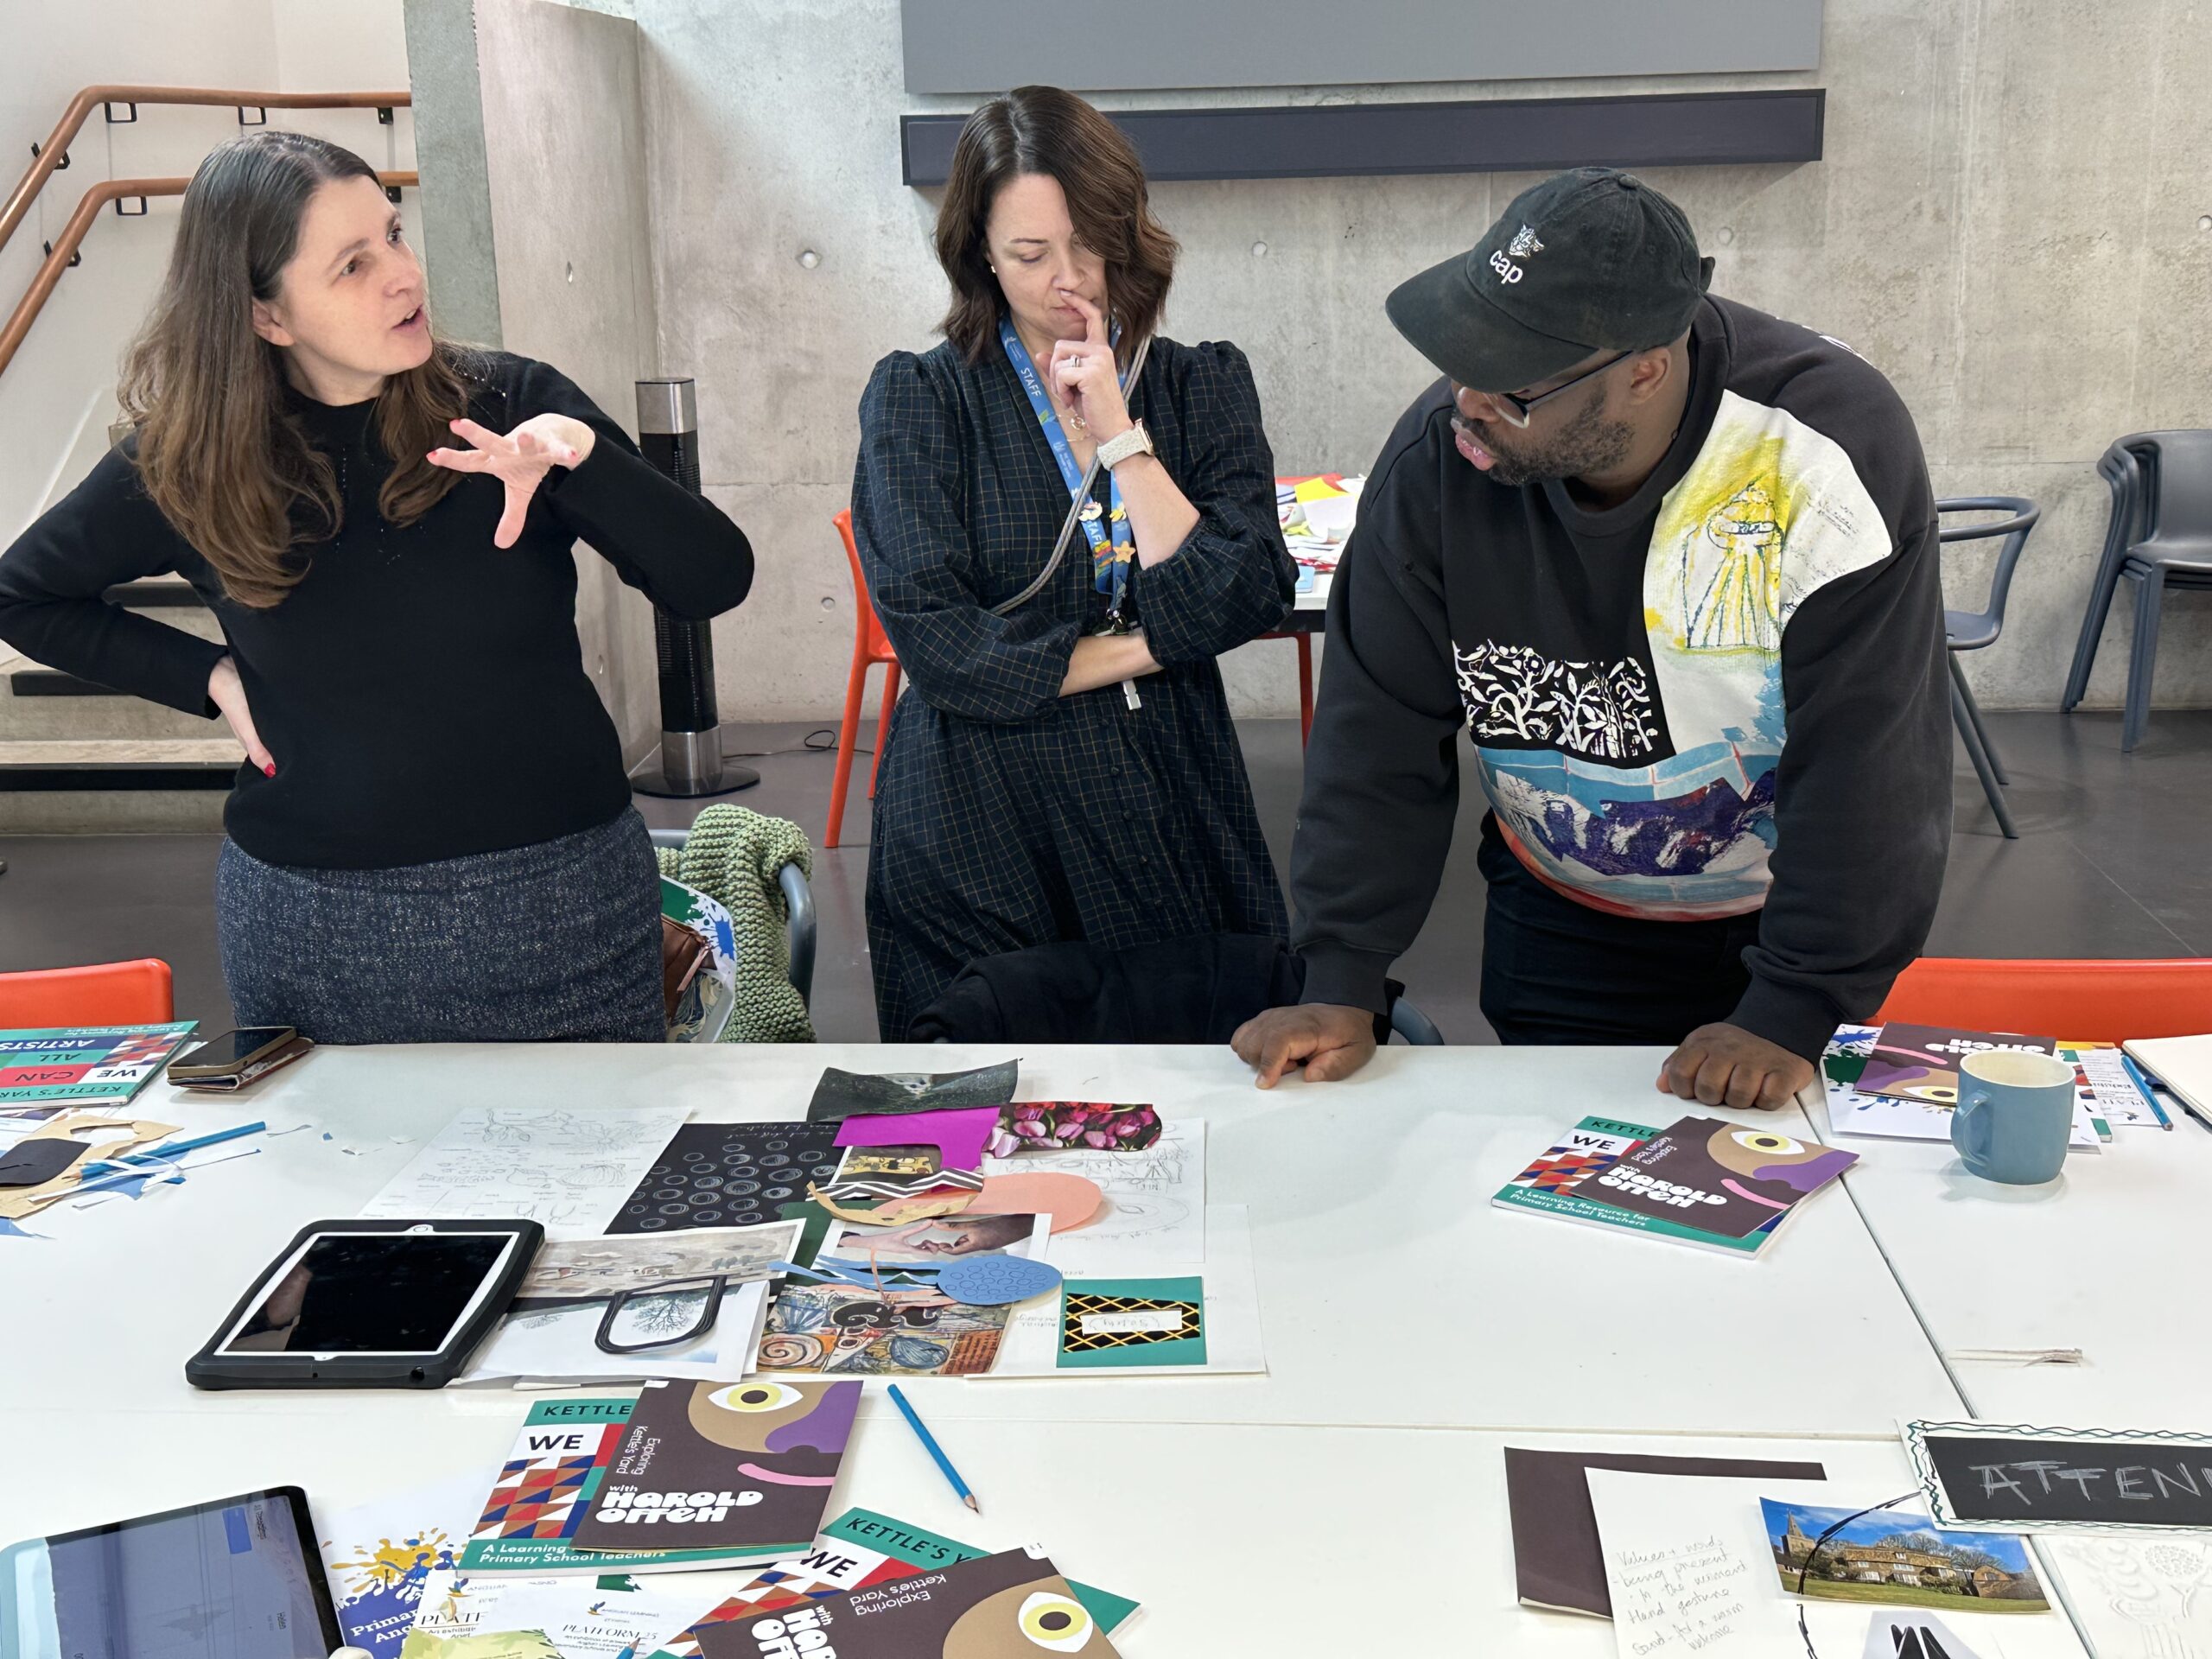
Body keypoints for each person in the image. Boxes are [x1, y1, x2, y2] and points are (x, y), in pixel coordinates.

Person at [0, 132, 754, 1043]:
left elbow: (713, 579)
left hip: (564, 904)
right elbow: (22, 595)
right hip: (313, 926)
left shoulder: (509, 407)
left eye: (394, 235)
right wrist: (209, 678)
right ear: (266, 316)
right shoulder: (190, 461)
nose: (405, 276)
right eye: (353, 264)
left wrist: (583, 457)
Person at [1232, 168, 1949, 1109]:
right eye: (1463, 361)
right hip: (1562, 907)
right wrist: (1341, 977)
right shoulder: (1441, 459)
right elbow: (1376, 731)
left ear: (1644, 370)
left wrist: (1795, 1006)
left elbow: (1870, 755)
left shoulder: (1817, 454)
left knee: (1776, 1180)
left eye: (1513, 386)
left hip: (1778, 917)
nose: (1468, 401)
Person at [852, 85, 1296, 1039]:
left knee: (1199, 1066)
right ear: (979, 252)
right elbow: (944, 651)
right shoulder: (921, 400)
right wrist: (1155, 645)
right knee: (989, 1088)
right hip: (980, 814)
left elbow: (1247, 588)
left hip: (1168, 795)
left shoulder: (1197, 384)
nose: (1068, 280)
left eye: (1089, 243)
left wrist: (1121, 438)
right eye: (1029, 254)